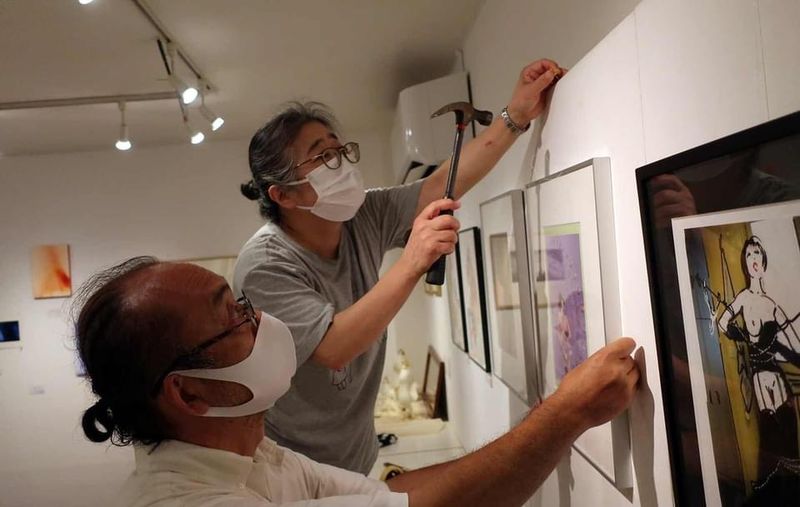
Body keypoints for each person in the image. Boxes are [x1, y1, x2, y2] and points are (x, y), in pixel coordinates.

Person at [75, 258, 640, 507]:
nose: (260, 320)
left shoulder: (256, 455)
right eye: (233, 317)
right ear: (188, 392)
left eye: (242, 302)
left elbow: (395, 499)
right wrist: (566, 413)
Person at [236, 59, 564, 473]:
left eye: (340, 150)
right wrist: (411, 263)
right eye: (323, 157)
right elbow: (334, 348)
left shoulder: (362, 216)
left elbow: (440, 185)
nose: (343, 165)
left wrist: (514, 115)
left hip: (356, 455)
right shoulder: (265, 265)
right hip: (290, 468)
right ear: (283, 195)